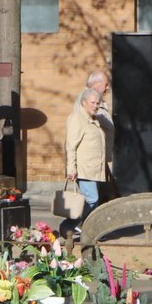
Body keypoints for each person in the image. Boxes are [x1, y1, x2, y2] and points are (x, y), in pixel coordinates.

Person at [65, 87, 108, 231]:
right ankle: (71, 226)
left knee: (93, 199)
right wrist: (71, 168)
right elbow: (71, 145)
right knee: (92, 198)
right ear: (83, 102)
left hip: (94, 168)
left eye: (98, 103)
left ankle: (80, 227)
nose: (96, 106)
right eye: (93, 103)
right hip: (84, 168)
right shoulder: (77, 118)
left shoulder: (93, 119)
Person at [86, 70, 117, 198]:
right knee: (93, 199)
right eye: (106, 84)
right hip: (93, 163)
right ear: (97, 85)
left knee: (103, 198)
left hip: (104, 162)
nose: (108, 87)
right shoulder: (88, 104)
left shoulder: (100, 103)